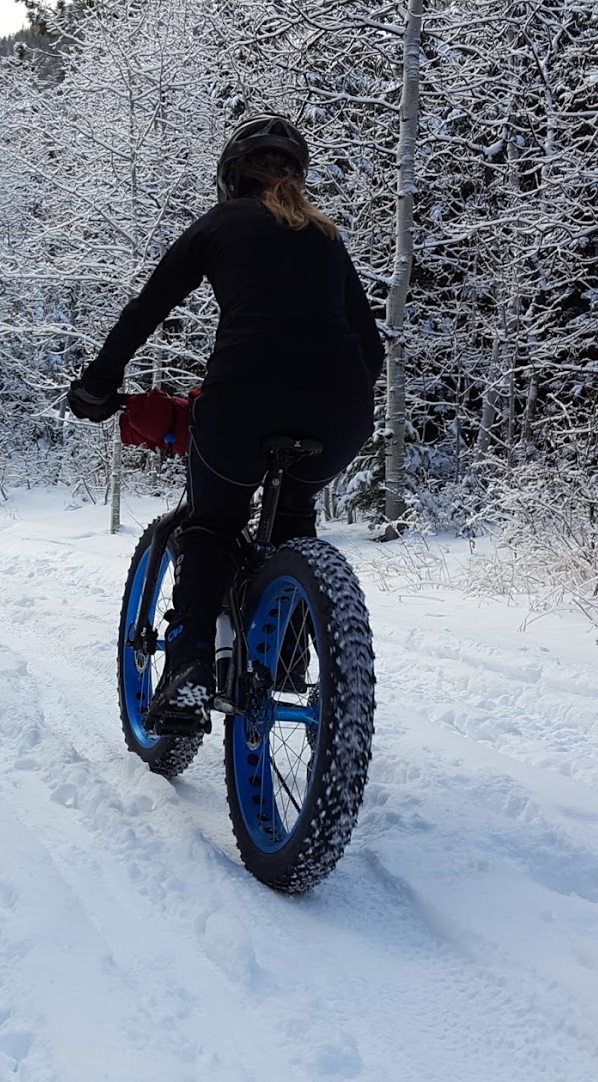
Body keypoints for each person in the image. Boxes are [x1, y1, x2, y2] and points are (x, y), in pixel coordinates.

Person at [67, 114, 382, 728]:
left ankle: (187, 669)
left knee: (212, 524)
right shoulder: (326, 235)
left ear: (230, 176)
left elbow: (146, 310)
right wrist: (333, 396)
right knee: (293, 514)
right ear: (296, 179)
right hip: (341, 410)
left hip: (243, 400)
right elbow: (369, 346)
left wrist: (99, 383)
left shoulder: (218, 224)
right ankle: (289, 655)